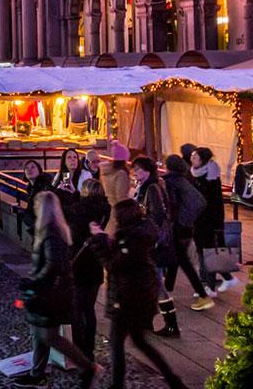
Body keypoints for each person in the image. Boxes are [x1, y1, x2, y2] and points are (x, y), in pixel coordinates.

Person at [89, 198, 189, 389]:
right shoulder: (138, 233)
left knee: (117, 344)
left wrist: (99, 241)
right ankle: (173, 380)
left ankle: (118, 385)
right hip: (138, 298)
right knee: (140, 341)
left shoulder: (132, 239)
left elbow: (114, 264)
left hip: (128, 300)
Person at [15, 191, 100, 388]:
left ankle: (88, 367)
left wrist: (35, 281)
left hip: (51, 294)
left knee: (48, 335)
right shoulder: (51, 231)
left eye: (37, 206)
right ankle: (37, 374)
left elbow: (55, 265)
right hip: (47, 291)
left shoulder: (51, 233)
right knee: (38, 332)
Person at [132, 156, 180, 337]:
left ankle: (170, 324)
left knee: (157, 284)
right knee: (151, 283)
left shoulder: (151, 188)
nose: (136, 173)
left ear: (148, 171)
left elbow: (157, 215)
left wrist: (146, 233)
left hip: (154, 245)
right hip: (151, 243)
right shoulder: (145, 187)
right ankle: (149, 322)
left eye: (139, 169)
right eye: (134, 169)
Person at [161, 154, 213, 310]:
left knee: (182, 261)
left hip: (177, 227)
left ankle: (203, 296)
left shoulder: (170, 182)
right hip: (187, 227)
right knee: (176, 258)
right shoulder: (184, 180)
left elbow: (172, 205)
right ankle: (167, 290)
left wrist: (173, 219)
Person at [67, 177, 110, 361]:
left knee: (76, 309)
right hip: (95, 262)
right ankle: (89, 349)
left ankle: (79, 348)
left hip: (78, 263)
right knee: (89, 309)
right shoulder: (104, 209)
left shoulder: (78, 210)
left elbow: (71, 222)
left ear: (84, 191)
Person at [190, 146, 237, 293]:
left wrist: (217, 225)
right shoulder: (193, 173)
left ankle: (208, 286)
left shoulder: (211, 177)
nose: (192, 159)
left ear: (203, 160)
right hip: (197, 221)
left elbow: (216, 203)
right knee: (203, 252)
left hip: (209, 221)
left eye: (195, 157)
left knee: (208, 253)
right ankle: (225, 279)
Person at [22, 159, 52, 239]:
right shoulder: (30, 188)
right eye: (27, 168)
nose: (30, 170)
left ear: (39, 170)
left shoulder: (44, 184)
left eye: (33, 167)